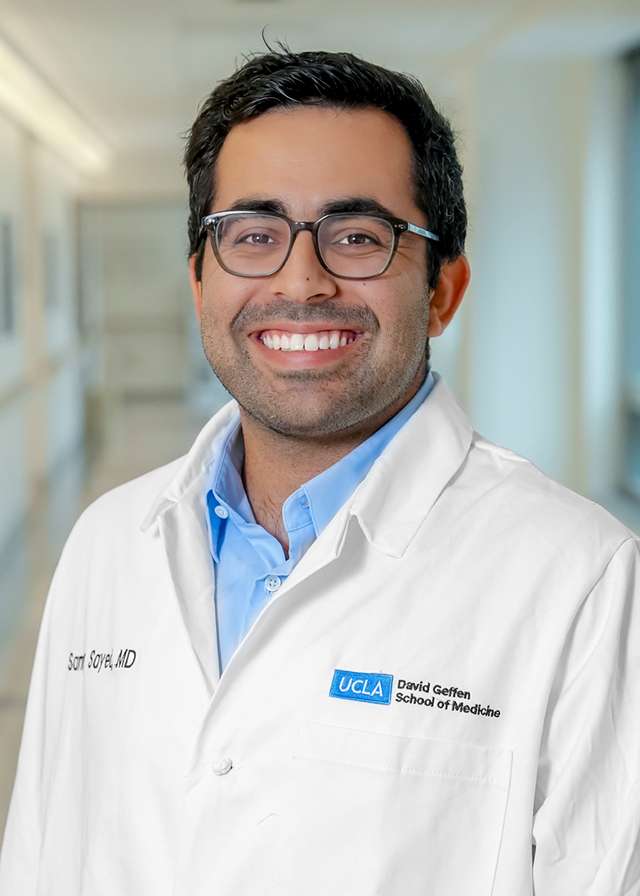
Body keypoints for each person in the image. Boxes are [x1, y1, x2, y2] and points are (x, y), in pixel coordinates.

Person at [1, 41, 638, 896]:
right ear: (200, 281)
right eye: (253, 235)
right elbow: (40, 857)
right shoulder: (106, 544)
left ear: (443, 291)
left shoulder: (583, 578)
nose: (302, 281)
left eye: (358, 237)